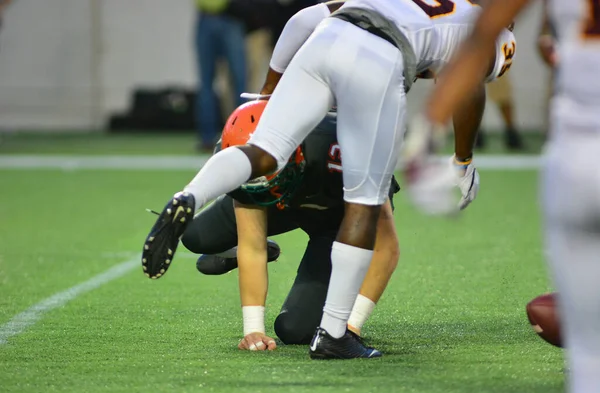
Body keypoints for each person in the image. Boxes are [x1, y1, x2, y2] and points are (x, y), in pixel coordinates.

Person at [143, 0, 514, 359]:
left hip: (327, 40)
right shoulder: (484, 25)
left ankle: (190, 194)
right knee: (364, 203)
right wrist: (462, 160)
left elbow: (303, 20)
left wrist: (269, 93)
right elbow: (468, 86)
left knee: (265, 150)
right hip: (379, 61)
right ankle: (335, 335)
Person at [404, 0, 600, 393]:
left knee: (587, 354)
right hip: (575, 152)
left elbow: (481, 34)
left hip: (576, 155)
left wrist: (427, 134)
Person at [181, 100, 401, 351]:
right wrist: (253, 330)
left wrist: (351, 326)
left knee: (296, 330)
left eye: (262, 171)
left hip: (336, 222)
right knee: (194, 235)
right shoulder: (238, 153)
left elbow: (386, 249)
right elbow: (252, 248)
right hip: (284, 200)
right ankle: (254, 247)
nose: (256, 179)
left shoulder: (349, 151)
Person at [194, 0, 247, 152]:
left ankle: (241, 134)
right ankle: (207, 137)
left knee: (238, 82)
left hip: (230, 16)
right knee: (207, 84)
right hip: (208, 16)